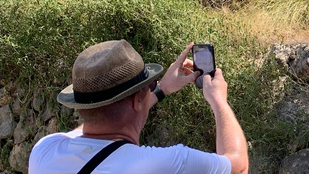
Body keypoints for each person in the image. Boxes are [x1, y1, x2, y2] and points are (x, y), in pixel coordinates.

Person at [29, 40, 248, 174]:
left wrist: (160, 89)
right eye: (148, 86)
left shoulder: (44, 151)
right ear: (137, 100)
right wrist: (218, 99)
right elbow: (238, 167)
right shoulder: (163, 164)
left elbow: (97, 123)